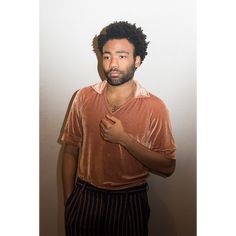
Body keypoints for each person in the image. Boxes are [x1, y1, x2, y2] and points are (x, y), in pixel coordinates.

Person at [60, 21, 176, 236]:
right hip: (85, 197)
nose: (113, 64)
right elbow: (69, 150)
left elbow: (168, 167)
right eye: (106, 56)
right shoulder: (83, 97)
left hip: (129, 200)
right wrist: (71, 202)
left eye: (122, 56)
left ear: (137, 61)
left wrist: (124, 139)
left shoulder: (154, 107)